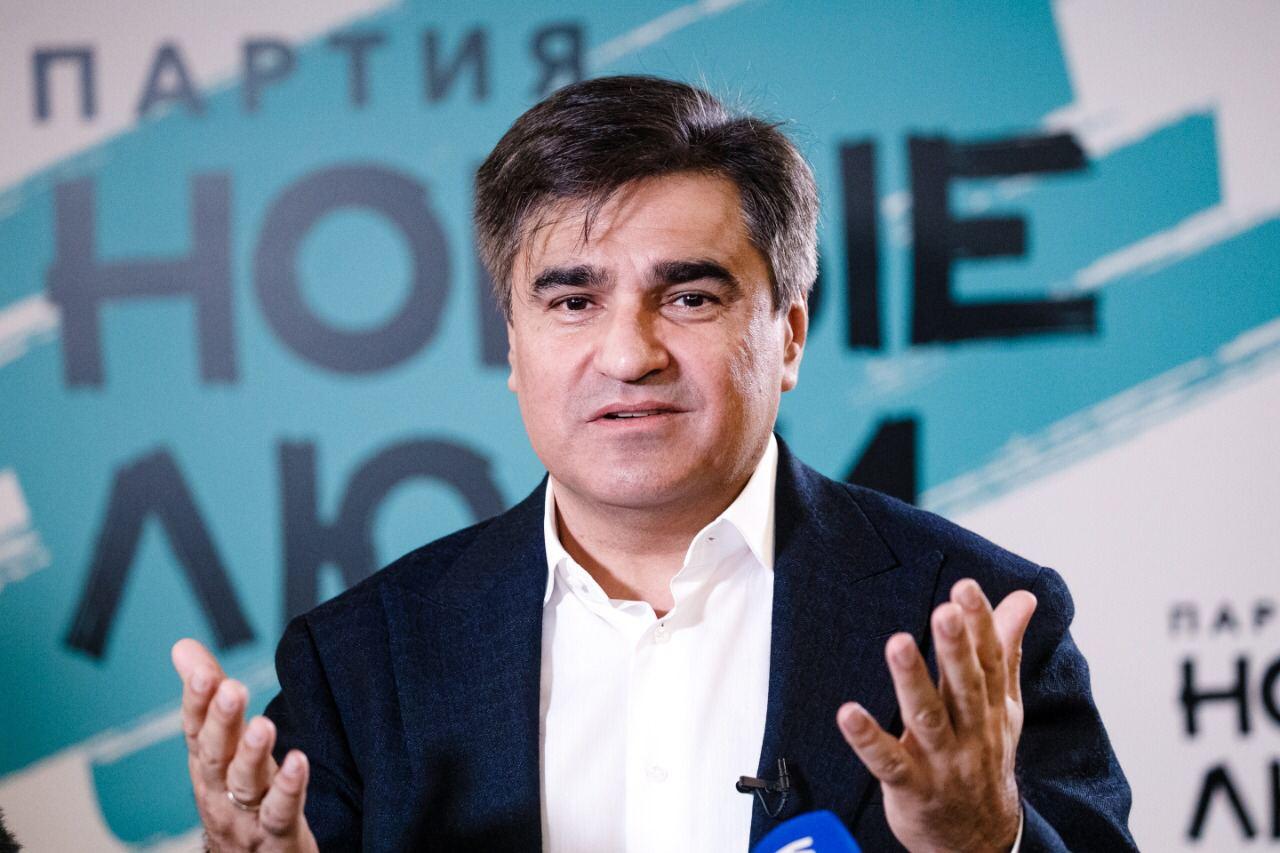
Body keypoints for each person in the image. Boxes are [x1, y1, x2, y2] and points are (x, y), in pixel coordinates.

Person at [171, 75, 1135, 851]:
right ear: (513, 346)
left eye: (690, 298)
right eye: (572, 302)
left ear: (789, 335)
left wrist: (985, 840)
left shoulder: (977, 622)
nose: (629, 354)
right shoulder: (360, 661)